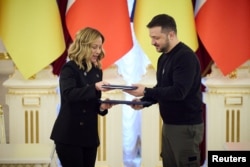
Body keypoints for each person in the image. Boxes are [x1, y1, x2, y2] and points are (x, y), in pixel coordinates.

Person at [124, 14, 204, 167]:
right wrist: (144, 102)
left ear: (171, 35)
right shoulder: (163, 58)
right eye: (151, 37)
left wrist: (146, 92)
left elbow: (179, 92)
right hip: (169, 125)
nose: (152, 42)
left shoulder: (185, 57)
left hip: (186, 127)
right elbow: (162, 89)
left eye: (156, 38)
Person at [50, 27, 113, 167]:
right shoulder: (69, 68)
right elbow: (69, 94)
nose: (98, 51)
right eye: (94, 47)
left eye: (100, 47)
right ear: (83, 46)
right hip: (69, 135)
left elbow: (92, 101)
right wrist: (94, 87)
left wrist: (102, 106)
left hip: (89, 136)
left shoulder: (97, 71)